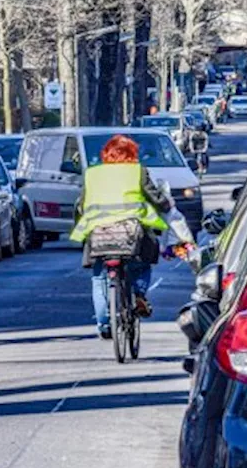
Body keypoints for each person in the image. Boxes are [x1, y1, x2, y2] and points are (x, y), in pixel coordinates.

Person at [69, 134, 172, 339]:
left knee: (99, 278)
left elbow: (80, 205)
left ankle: (103, 324)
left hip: (99, 236)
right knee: (142, 263)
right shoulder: (138, 172)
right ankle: (139, 294)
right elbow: (156, 199)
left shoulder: (92, 174)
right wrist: (166, 205)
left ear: (106, 154)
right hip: (130, 235)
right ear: (132, 154)